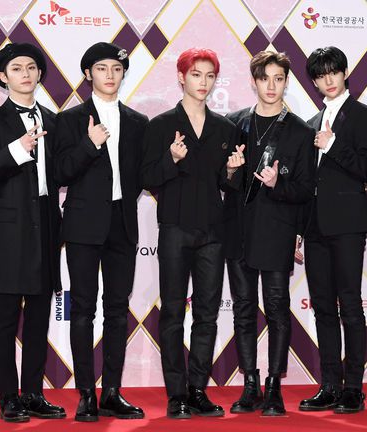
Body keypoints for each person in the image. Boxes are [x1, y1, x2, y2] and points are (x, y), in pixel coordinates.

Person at [141, 47, 243, 419]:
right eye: (196, 74)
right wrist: (171, 159)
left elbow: (228, 185)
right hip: (174, 228)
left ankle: (198, 389)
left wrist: (232, 171)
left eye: (209, 76)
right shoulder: (161, 125)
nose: (203, 82)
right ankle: (176, 393)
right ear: (181, 77)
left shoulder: (225, 128)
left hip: (213, 232)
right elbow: (147, 179)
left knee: (207, 314)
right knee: (172, 312)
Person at [54, 42, 148, 422]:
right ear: (88, 74)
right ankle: (86, 395)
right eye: (102, 68)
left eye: (117, 69)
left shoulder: (139, 122)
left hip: (123, 224)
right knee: (82, 310)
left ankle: (111, 392)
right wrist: (89, 146)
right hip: (83, 225)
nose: (110, 75)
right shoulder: (69, 120)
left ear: (124, 74)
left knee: (117, 312)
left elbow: (142, 176)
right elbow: (60, 173)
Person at [0, 42, 65, 423]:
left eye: (31, 68)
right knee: (6, 317)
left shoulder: (56, 122)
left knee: (39, 317)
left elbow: (64, 172)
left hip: (46, 224)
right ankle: (9, 397)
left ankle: (34, 394)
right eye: (16, 69)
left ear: (39, 74)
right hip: (9, 231)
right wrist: (16, 150)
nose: (25, 74)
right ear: (3, 77)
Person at [225, 50, 315, 416]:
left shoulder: (300, 131)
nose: (272, 86)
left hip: (277, 230)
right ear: (254, 81)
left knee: (277, 309)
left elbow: (306, 189)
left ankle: (274, 386)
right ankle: (250, 384)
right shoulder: (234, 124)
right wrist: (231, 171)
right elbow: (222, 181)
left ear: (286, 82)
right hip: (238, 230)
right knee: (243, 309)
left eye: (279, 79)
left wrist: (279, 184)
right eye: (265, 78)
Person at [297, 46, 367, 414]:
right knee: (322, 308)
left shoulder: (364, 116)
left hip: (348, 224)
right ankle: (329, 384)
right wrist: (299, 229)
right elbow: (307, 182)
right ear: (314, 82)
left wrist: (333, 146)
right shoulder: (311, 121)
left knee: (349, 304)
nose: (328, 80)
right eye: (320, 75)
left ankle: (353, 388)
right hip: (315, 226)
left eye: (333, 72)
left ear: (345, 73)